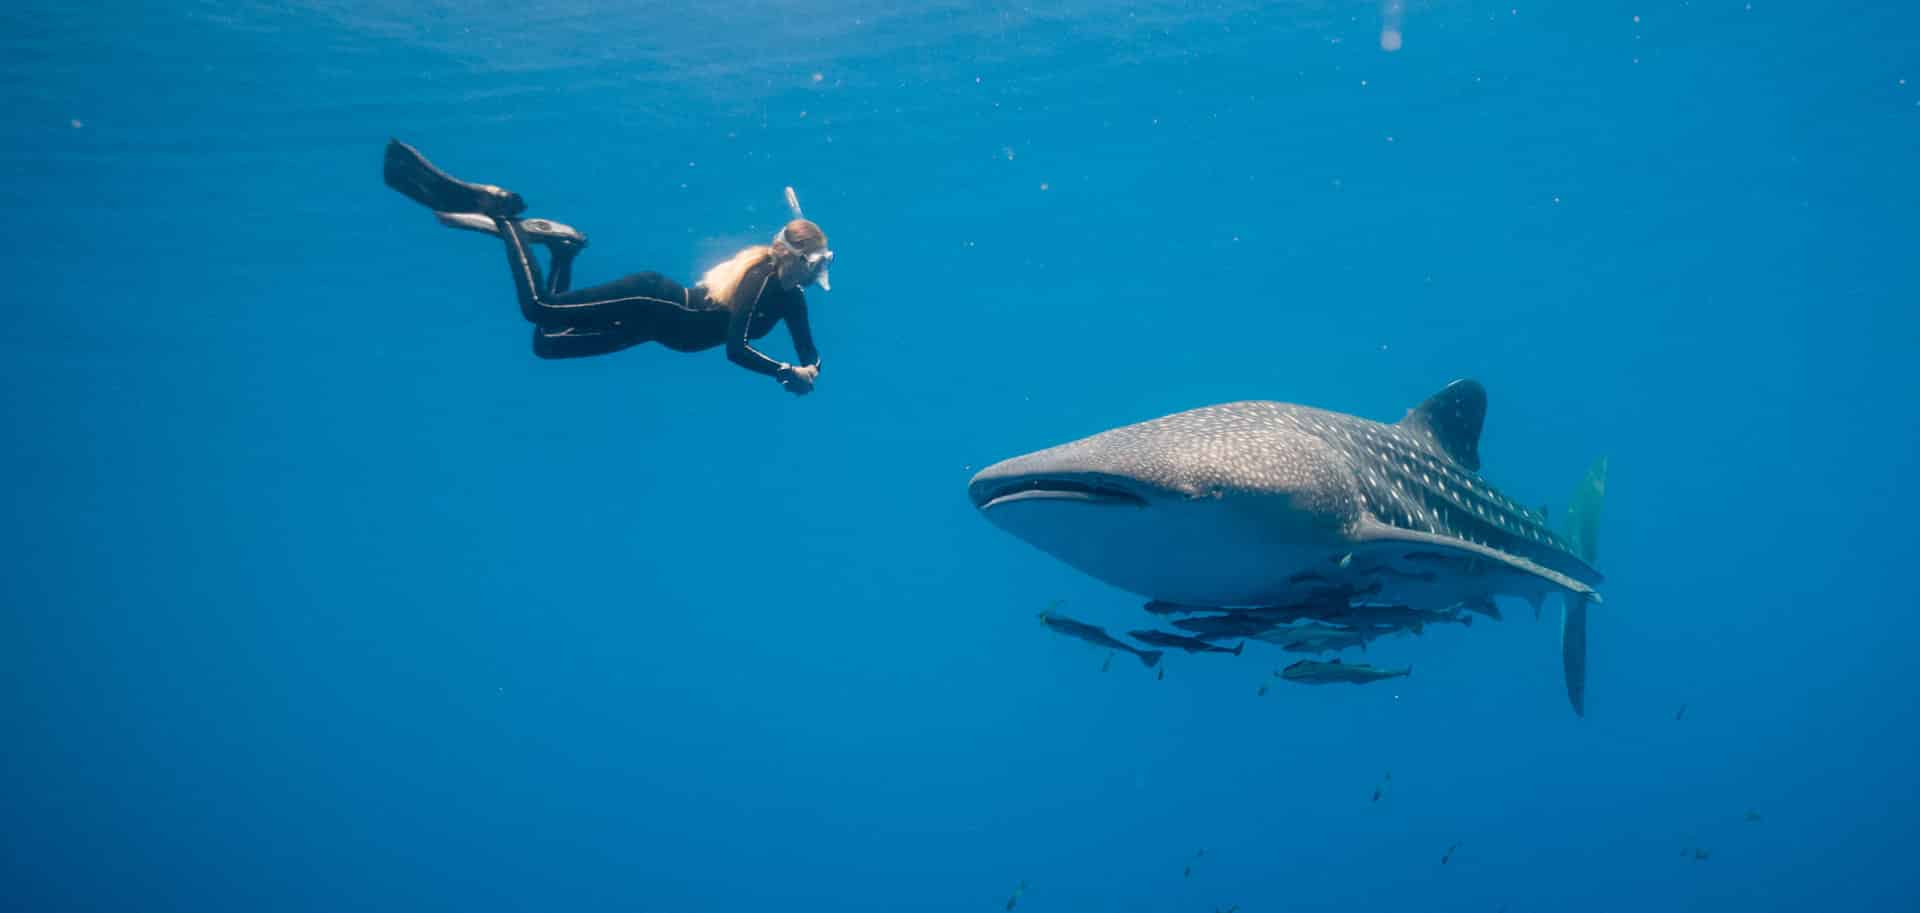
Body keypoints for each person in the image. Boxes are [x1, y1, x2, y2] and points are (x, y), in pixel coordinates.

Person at [381, 138, 832, 395]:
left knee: (548, 345)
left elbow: (809, 351)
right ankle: (504, 216)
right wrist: (782, 373)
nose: (815, 277)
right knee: (538, 308)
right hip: (652, 300)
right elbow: (736, 349)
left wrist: (810, 369)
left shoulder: (792, 299)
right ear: (794, 260)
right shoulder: (760, 279)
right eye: (813, 266)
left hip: (651, 329)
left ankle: (562, 251)